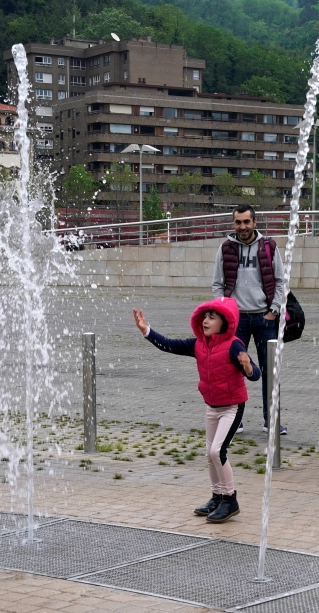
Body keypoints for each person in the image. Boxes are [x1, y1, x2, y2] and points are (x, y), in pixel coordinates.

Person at [133, 297, 261, 523]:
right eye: (205, 316)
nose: (206, 321)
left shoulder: (234, 345)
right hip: (212, 407)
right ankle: (217, 496)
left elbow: (255, 374)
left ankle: (230, 500)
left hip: (232, 407)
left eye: (212, 317)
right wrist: (147, 331)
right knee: (209, 454)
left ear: (225, 323)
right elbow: (170, 344)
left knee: (217, 452)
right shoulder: (198, 344)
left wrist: (249, 367)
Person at [212, 203, 287, 435]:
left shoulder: (269, 247)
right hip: (236, 321)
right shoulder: (225, 248)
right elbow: (217, 284)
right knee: (233, 371)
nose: (242, 226)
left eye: (246, 221)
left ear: (254, 222)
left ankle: (271, 421)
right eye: (238, 222)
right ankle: (235, 421)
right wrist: (224, 313)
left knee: (269, 371)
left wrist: (273, 311)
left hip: (264, 319)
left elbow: (281, 281)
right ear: (233, 223)